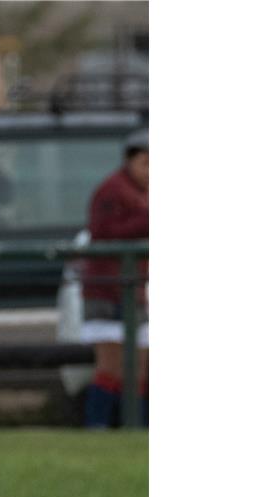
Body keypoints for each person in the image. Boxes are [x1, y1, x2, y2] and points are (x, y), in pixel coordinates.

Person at [79, 128, 148, 428]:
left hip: (132, 291)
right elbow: (105, 234)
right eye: (146, 163)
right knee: (112, 366)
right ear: (129, 161)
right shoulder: (113, 190)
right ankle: (97, 429)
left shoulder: (139, 192)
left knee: (143, 365)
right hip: (107, 291)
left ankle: (139, 428)